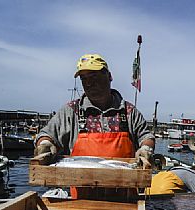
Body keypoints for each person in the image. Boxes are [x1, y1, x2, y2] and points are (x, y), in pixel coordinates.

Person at [35, 54, 154, 201]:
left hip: (126, 201)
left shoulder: (128, 111)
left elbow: (146, 136)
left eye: (94, 76)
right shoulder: (71, 111)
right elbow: (47, 134)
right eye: (84, 79)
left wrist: (146, 149)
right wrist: (45, 144)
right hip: (81, 203)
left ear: (109, 76)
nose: (89, 83)